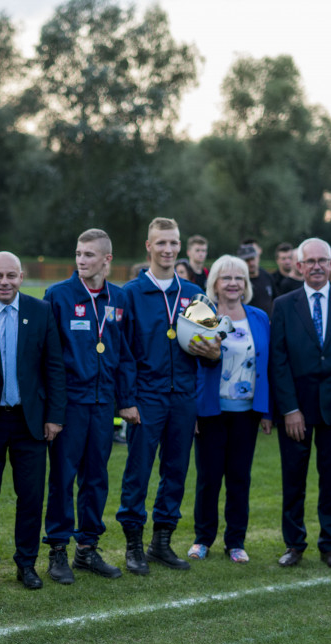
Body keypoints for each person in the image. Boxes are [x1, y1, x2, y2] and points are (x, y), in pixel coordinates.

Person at [118, 217, 216, 575]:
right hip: (146, 396)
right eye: (160, 243)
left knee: (176, 470)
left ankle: (161, 542)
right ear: (148, 246)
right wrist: (126, 400)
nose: (168, 249)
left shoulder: (193, 294)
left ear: (180, 245)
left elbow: (215, 346)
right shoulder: (130, 294)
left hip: (183, 397)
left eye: (173, 242)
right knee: (138, 471)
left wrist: (212, 349)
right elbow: (123, 353)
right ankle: (132, 544)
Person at [42, 229, 134, 584]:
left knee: (96, 478)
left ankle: (88, 548)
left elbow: (125, 355)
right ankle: (58, 551)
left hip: (104, 404)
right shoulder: (59, 295)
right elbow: (49, 359)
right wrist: (53, 411)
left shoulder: (120, 299)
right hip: (70, 405)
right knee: (63, 479)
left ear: (107, 260)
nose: (82, 260)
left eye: (90, 255)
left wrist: (125, 401)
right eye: (79, 254)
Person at [271, 237, 331, 571]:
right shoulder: (284, 305)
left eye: (322, 261)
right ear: (299, 266)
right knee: (293, 480)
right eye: (309, 261)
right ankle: (294, 544)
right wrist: (289, 409)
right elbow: (278, 362)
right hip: (297, 409)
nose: (316, 266)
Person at [0, 252, 66, 592]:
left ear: (22, 276)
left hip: (31, 422)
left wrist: (55, 416)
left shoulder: (40, 311)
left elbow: (54, 366)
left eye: (11, 275)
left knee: (30, 497)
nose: (5, 282)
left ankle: (26, 564)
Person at [190, 255, 271, 564]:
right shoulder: (203, 314)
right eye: (227, 278)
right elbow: (194, 367)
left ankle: (235, 541)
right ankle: (202, 539)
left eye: (239, 278)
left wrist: (267, 411)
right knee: (208, 478)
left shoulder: (259, 317)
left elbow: (267, 366)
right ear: (215, 284)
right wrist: (194, 412)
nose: (234, 283)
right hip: (210, 411)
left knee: (239, 477)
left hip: (247, 412)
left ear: (246, 284)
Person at [237, 243, 274, 315]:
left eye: (252, 259)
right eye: (247, 260)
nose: (251, 263)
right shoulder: (239, 281)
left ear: (258, 258)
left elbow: (274, 299)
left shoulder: (267, 276)